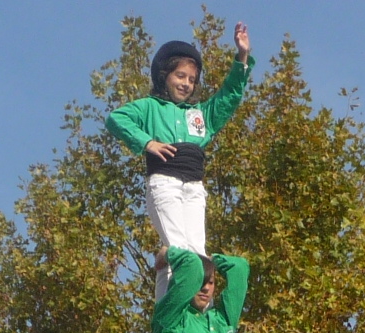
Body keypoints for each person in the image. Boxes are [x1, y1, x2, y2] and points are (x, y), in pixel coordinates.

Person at [106, 27, 255, 257]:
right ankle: (169, 258)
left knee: (197, 253)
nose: (186, 83)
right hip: (165, 180)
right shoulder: (150, 106)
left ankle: (179, 281)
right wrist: (147, 143)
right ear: (165, 76)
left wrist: (242, 55)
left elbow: (230, 94)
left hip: (194, 186)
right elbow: (117, 118)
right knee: (178, 248)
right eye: (180, 76)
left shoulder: (200, 114)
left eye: (192, 80)